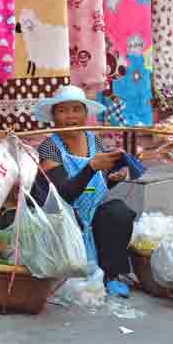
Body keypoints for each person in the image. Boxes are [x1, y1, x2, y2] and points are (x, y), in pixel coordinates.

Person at [32, 85, 138, 298]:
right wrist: (91, 167)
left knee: (118, 212)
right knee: (75, 218)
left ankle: (111, 275)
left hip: (90, 215)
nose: (70, 116)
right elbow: (63, 195)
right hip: (64, 219)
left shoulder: (94, 141)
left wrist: (112, 179)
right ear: (53, 116)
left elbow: (94, 187)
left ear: (85, 113)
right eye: (62, 111)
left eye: (76, 109)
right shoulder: (50, 147)